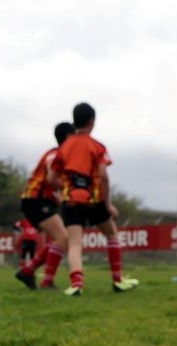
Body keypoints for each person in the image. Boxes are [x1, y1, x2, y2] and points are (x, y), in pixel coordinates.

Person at [53, 103, 138, 296]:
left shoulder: (64, 147)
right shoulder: (97, 146)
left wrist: (67, 188)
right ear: (92, 121)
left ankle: (76, 284)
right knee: (111, 234)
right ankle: (118, 280)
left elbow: (52, 177)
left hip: (71, 200)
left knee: (75, 243)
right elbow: (104, 177)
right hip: (94, 200)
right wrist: (107, 204)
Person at [15, 122, 74, 290]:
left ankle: (28, 271)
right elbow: (50, 177)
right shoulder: (55, 155)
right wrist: (69, 188)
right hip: (35, 200)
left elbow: (53, 184)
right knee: (62, 238)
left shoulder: (59, 155)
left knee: (61, 239)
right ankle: (46, 281)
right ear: (68, 137)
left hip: (39, 200)